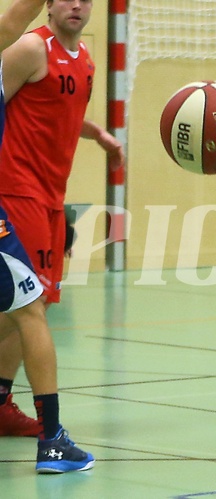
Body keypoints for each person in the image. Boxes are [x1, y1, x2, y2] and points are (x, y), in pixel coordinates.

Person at [0, 0, 124, 440]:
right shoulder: (29, 49)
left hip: (52, 198)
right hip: (17, 193)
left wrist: (98, 134)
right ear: (48, 5)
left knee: (33, 306)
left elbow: (57, 111)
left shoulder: (86, 60)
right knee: (25, 308)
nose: (77, 4)